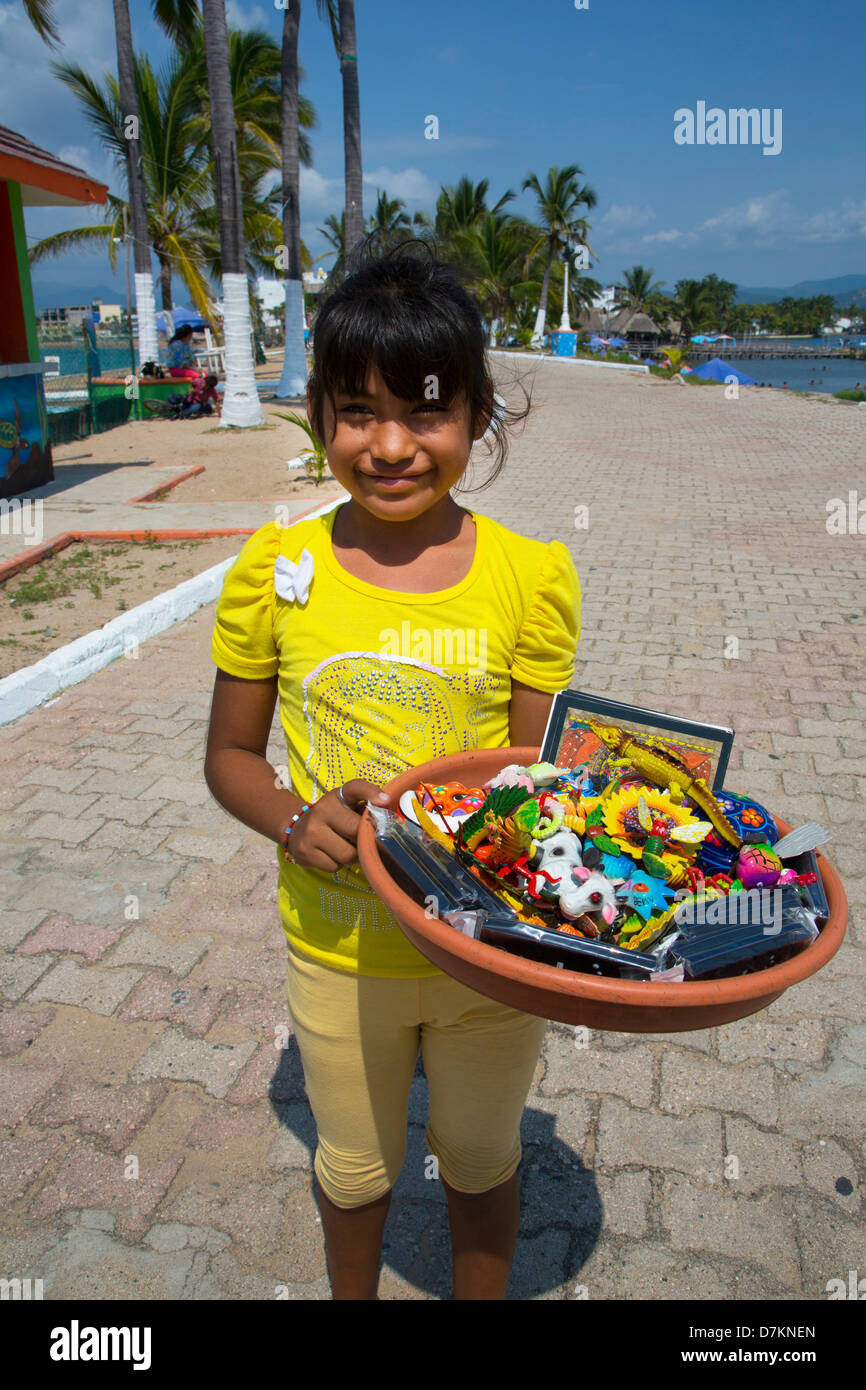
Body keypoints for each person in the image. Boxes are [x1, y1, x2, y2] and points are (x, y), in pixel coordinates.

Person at [204, 242, 580, 1302]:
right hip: (337, 945)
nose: (391, 445)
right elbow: (230, 758)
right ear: (317, 410)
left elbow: (538, 772)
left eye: (426, 413)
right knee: (356, 1167)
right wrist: (292, 821)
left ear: (476, 415)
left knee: (477, 1161)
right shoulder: (271, 573)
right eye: (358, 410)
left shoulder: (530, 578)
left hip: (489, 955)